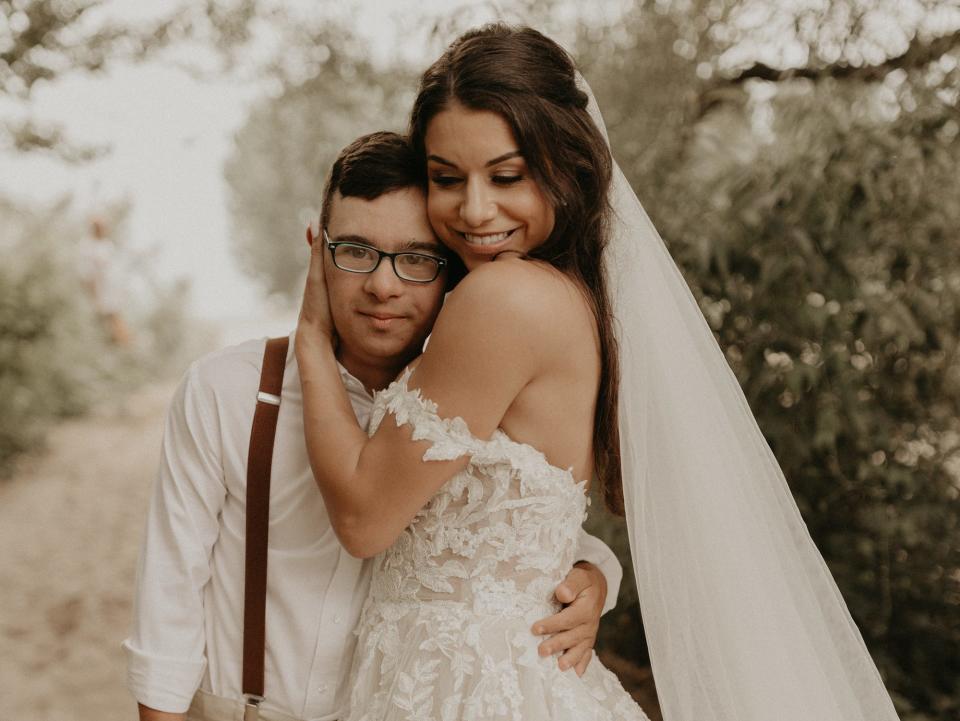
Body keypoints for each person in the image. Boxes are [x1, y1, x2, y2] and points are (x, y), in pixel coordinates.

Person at [295, 25, 903, 721]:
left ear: (566, 166)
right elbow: (514, 524)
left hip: (467, 690)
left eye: (507, 175)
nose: (473, 209)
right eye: (445, 178)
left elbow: (365, 516)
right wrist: (595, 573)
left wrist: (312, 336)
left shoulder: (504, 299)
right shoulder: (576, 299)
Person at [124, 132, 623, 721]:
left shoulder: (472, 398)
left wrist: (593, 576)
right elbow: (168, 603)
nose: (383, 285)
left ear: (452, 272)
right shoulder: (225, 391)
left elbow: (509, 529)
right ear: (318, 250)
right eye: (356, 251)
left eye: (415, 259)